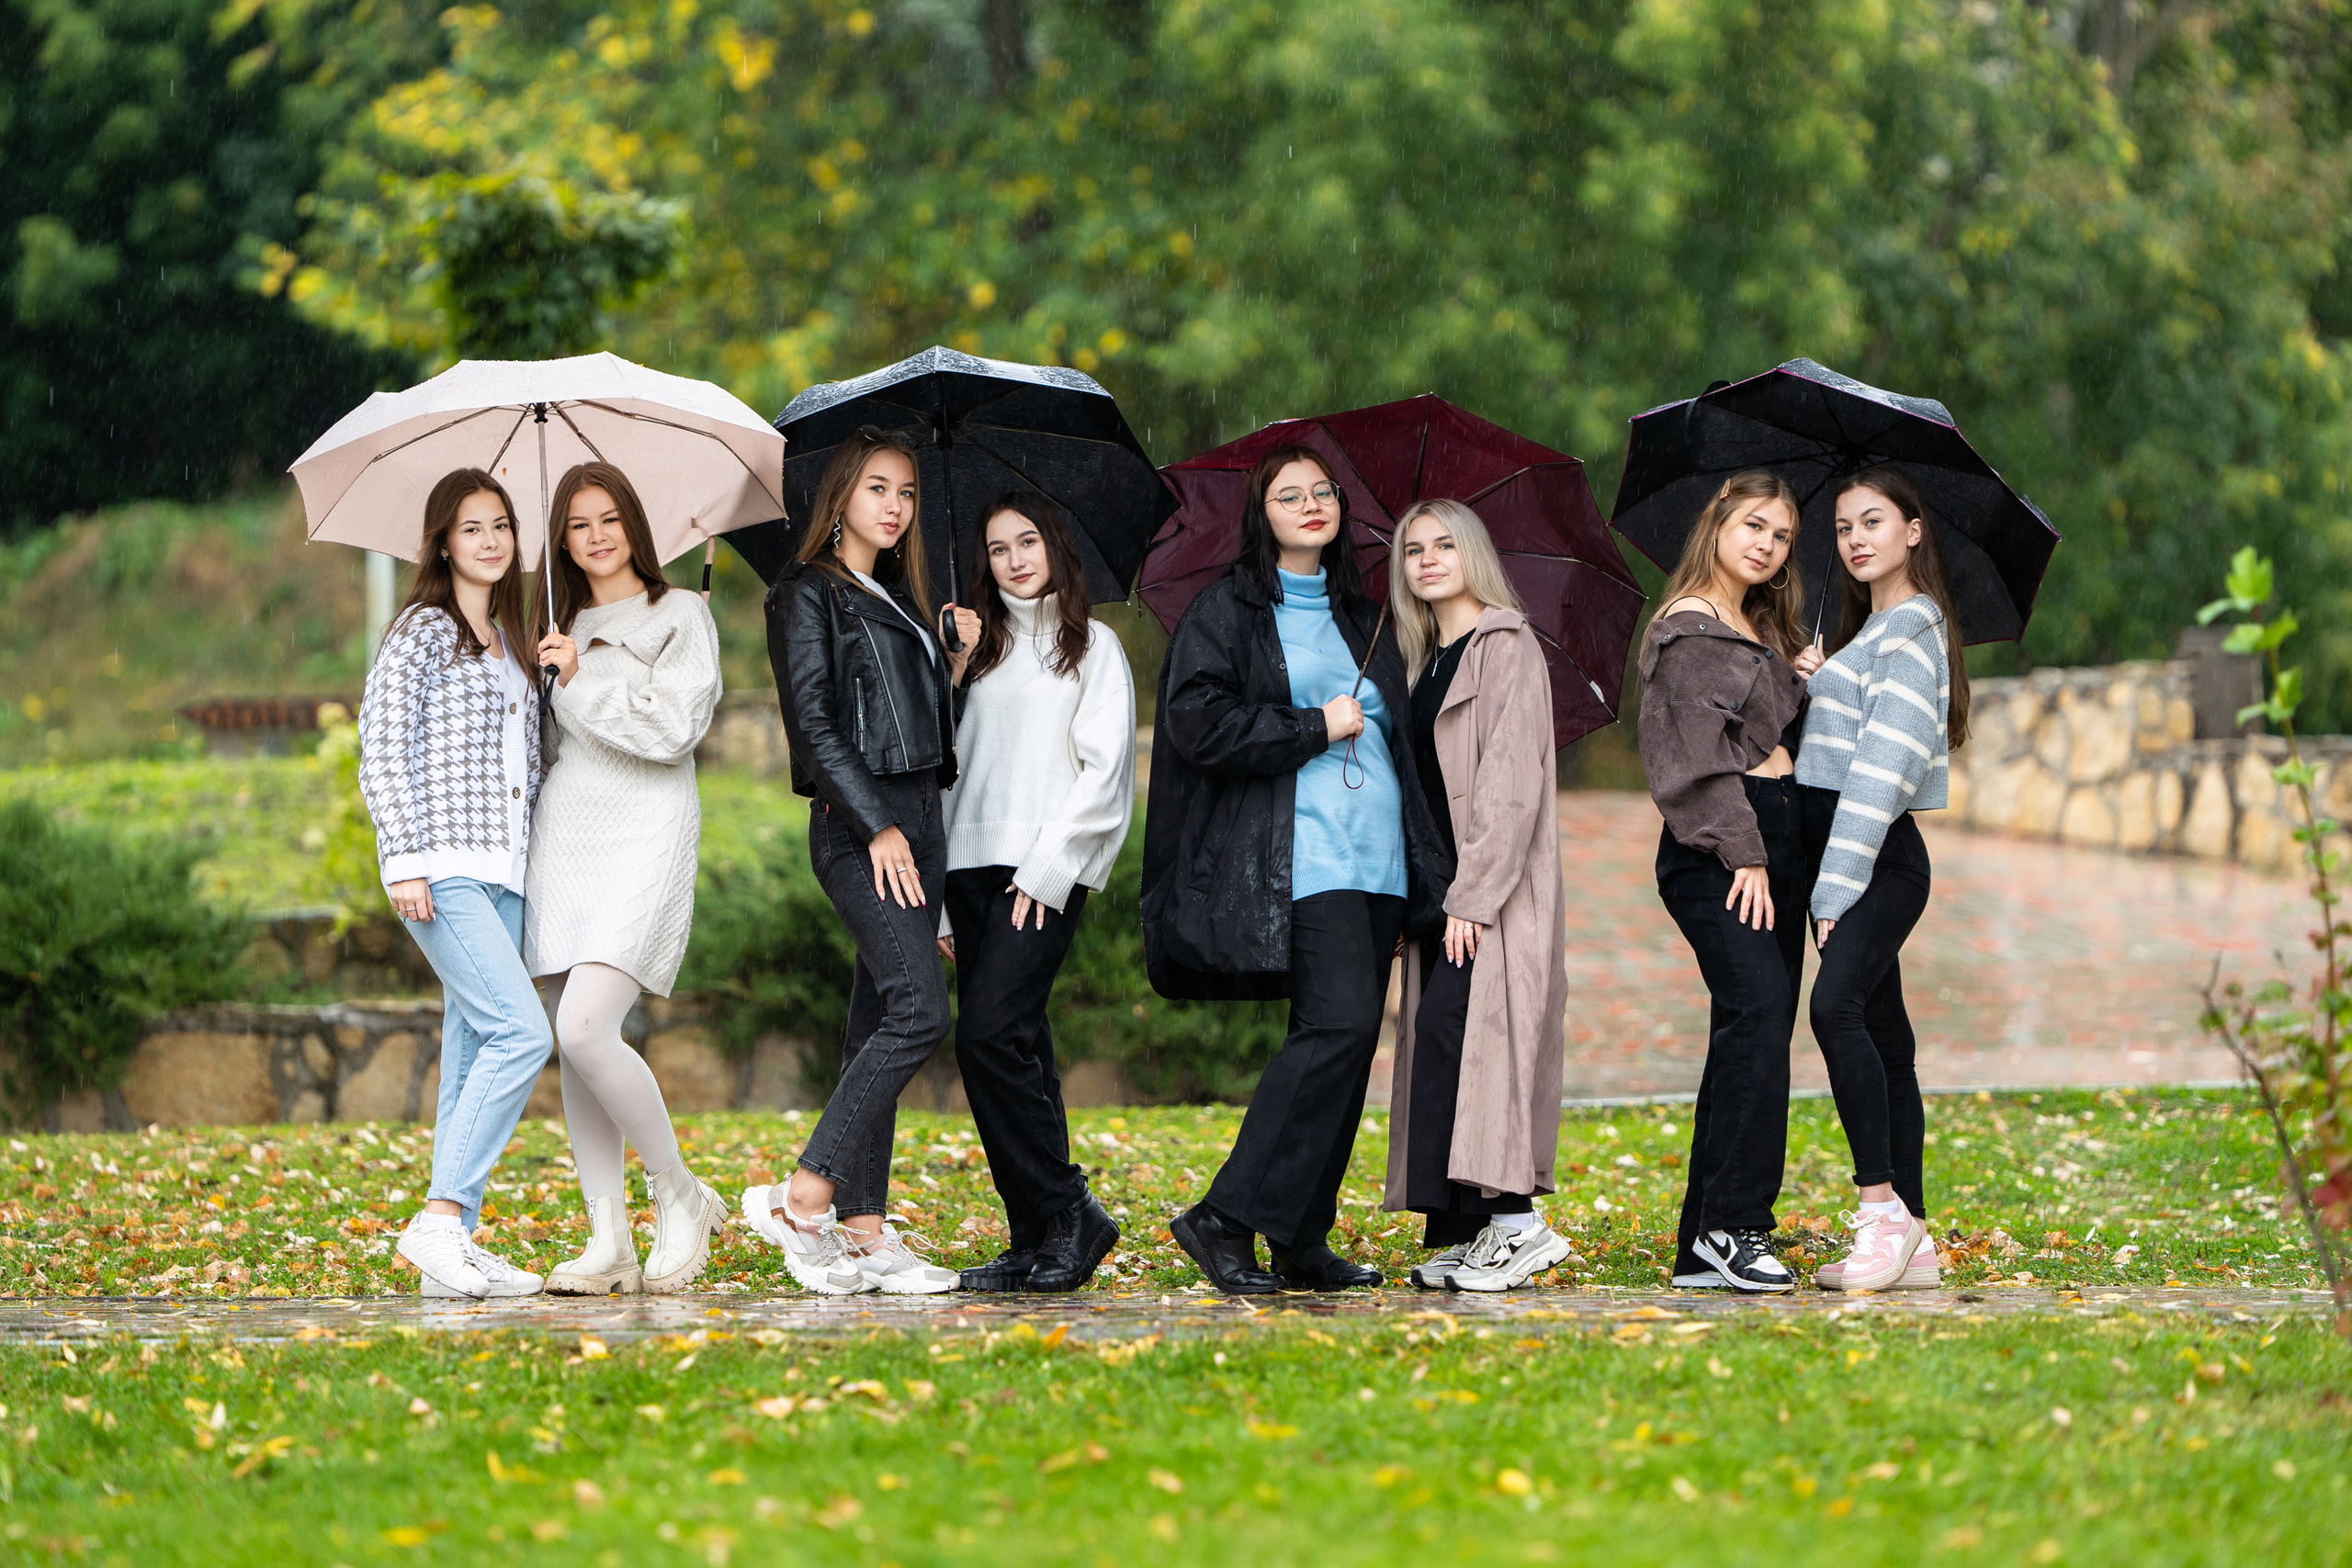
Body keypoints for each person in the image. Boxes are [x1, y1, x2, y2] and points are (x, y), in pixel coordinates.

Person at [1144, 445, 1450, 1293]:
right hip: (1299, 853)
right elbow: (1199, 722)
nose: (1311, 504)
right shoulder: (1230, 609)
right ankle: (1225, 1217)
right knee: (1336, 1030)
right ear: (1262, 513)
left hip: (1379, 859)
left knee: (1350, 1049)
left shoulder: (1370, 614)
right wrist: (1315, 725)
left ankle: (1300, 1235)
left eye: (1323, 492)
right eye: (1290, 494)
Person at [745, 426, 979, 1295]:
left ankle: (866, 1231)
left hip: (919, 820)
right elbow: (814, 725)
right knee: (920, 1011)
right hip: (861, 826)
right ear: (840, 496)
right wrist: (878, 824)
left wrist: (947, 662)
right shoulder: (805, 595)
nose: (895, 505)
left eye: (908, 493)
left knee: (875, 1017)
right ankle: (803, 1196)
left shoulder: (905, 604)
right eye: (878, 487)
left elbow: (917, 731)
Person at [522, 462, 728, 1295]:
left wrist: (581, 678)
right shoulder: (553, 620)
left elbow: (671, 731)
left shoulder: (682, 613)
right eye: (579, 524)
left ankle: (681, 1191)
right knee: (578, 1043)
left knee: (582, 1027)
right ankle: (606, 1232)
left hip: (647, 825)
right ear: (562, 540)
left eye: (610, 518)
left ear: (635, 524)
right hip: (569, 830)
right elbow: (545, 744)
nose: (597, 535)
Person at [359, 468, 551, 1301]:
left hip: (505, 875)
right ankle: (439, 1218)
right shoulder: (422, 630)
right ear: (443, 540)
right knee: (523, 1034)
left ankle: (455, 1244)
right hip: (444, 870)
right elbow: (383, 744)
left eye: (502, 525)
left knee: (473, 1047)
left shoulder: (516, 642)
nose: (491, 540)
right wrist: (403, 858)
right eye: (472, 527)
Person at [939, 492, 1136, 1293]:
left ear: (1056, 545)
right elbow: (942, 772)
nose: (1015, 559)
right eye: (996, 548)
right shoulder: (970, 651)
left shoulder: (1093, 647)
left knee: (986, 1037)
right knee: (1021, 1049)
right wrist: (951, 667)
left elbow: (1107, 773)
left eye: (1028, 541)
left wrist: (1050, 870)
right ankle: (1034, 1237)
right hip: (968, 870)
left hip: (1043, 871)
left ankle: (1069, 1210)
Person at [1376, 500, 1574, 1292]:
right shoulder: (1425, 657)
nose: (1428, 559)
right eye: (1413, 549)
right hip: (1441, 896)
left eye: (1444, 545)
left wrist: (1475, 897)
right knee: (1441, 1047)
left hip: (1491, 892)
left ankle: (1520, 1223)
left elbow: (1509, 784)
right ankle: (1469, 1227)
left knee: (1475, 1040)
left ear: (1474, 554)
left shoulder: (1504, 644)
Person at [1791, 465, 1969, 1292]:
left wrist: (1834, 888)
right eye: (1842, 527)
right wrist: (1816, 681)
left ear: (1913, 531)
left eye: (1872, 522)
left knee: (1835, 1009)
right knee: (1888, 1039)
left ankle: (1880, 1214)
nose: (1856, 539)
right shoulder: (1876, 634)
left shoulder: (1912, 630)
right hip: (1860, 852)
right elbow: (1846, 736)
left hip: (1874, 856)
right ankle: (1918, 1243)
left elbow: (1881, 769)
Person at [1637, 469, 1810, 1293]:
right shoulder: (1688, 626)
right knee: (1761, 1010)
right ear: (1717, 526)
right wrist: (1742, 851)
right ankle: (1736, 1225)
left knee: (1747, 1028)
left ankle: (1700, 1243)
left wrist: (1797, 676)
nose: (1766, 545)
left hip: (1774, 840)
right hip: (1720, 848)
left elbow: (1763, 734)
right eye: (1752, 526)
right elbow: (1694, 764)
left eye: (1780, 536)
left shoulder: (1751, 626)